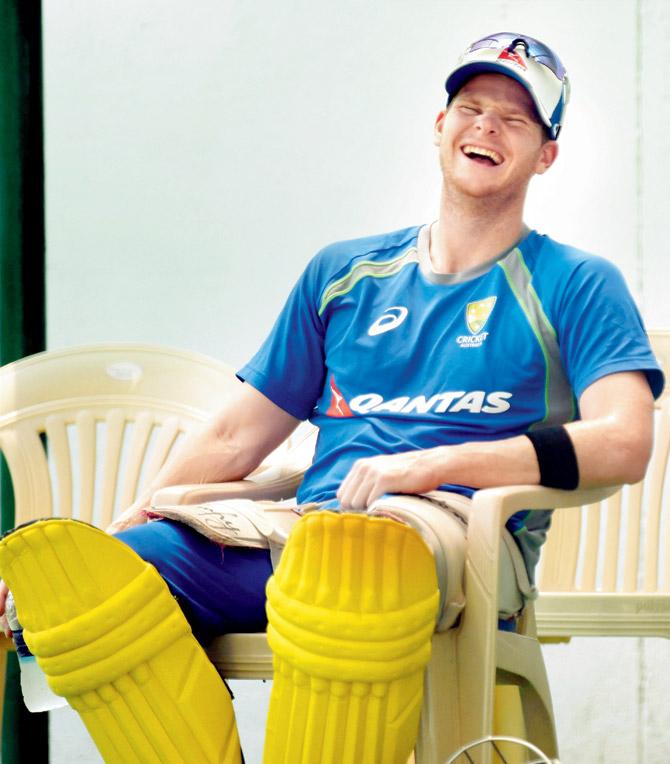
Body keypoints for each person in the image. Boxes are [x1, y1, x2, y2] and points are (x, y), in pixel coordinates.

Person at [0, 32, 663, 764]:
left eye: (514, 119)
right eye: (470, 107)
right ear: (438, 127)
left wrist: (434, 466)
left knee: (346, 567)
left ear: (547, 155)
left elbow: (623, 441)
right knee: (82, 582)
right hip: (304, 529)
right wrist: (144, 508)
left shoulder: (576, 281)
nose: (485, 127)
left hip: (449, 540)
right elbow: (232, 439)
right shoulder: (345, 272)